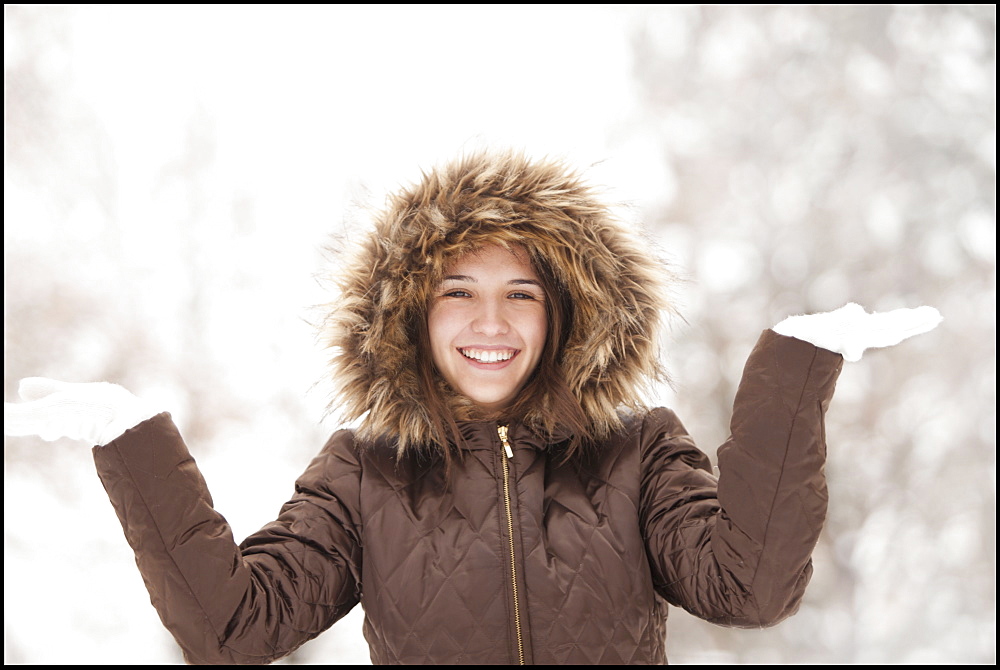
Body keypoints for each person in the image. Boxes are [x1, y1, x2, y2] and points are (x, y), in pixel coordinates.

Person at [4, 150, 942, 665]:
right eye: (458, 290)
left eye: (522, 293)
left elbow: (751, 587)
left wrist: (793, 373)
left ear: (566, 313)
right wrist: (131, 446)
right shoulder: (363, 470)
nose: (489, 321)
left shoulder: (638, 453)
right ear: (413, 314)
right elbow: (234, 627)